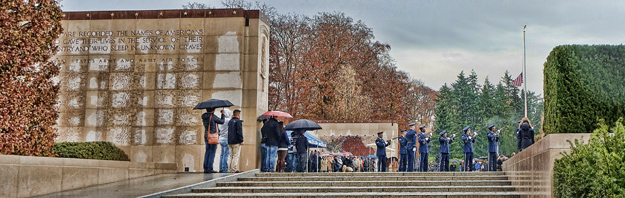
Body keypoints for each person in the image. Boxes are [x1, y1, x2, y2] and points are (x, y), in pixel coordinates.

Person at [202, 108, 225, 173]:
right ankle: (210, 168)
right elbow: (222, 121)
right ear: (213, 110)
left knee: (207, 152)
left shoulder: (204, 117)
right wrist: (223, 114)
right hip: (213, 136)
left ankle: (205, 168)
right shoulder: (212, 116)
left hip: (206, 135)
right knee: (212, 152)